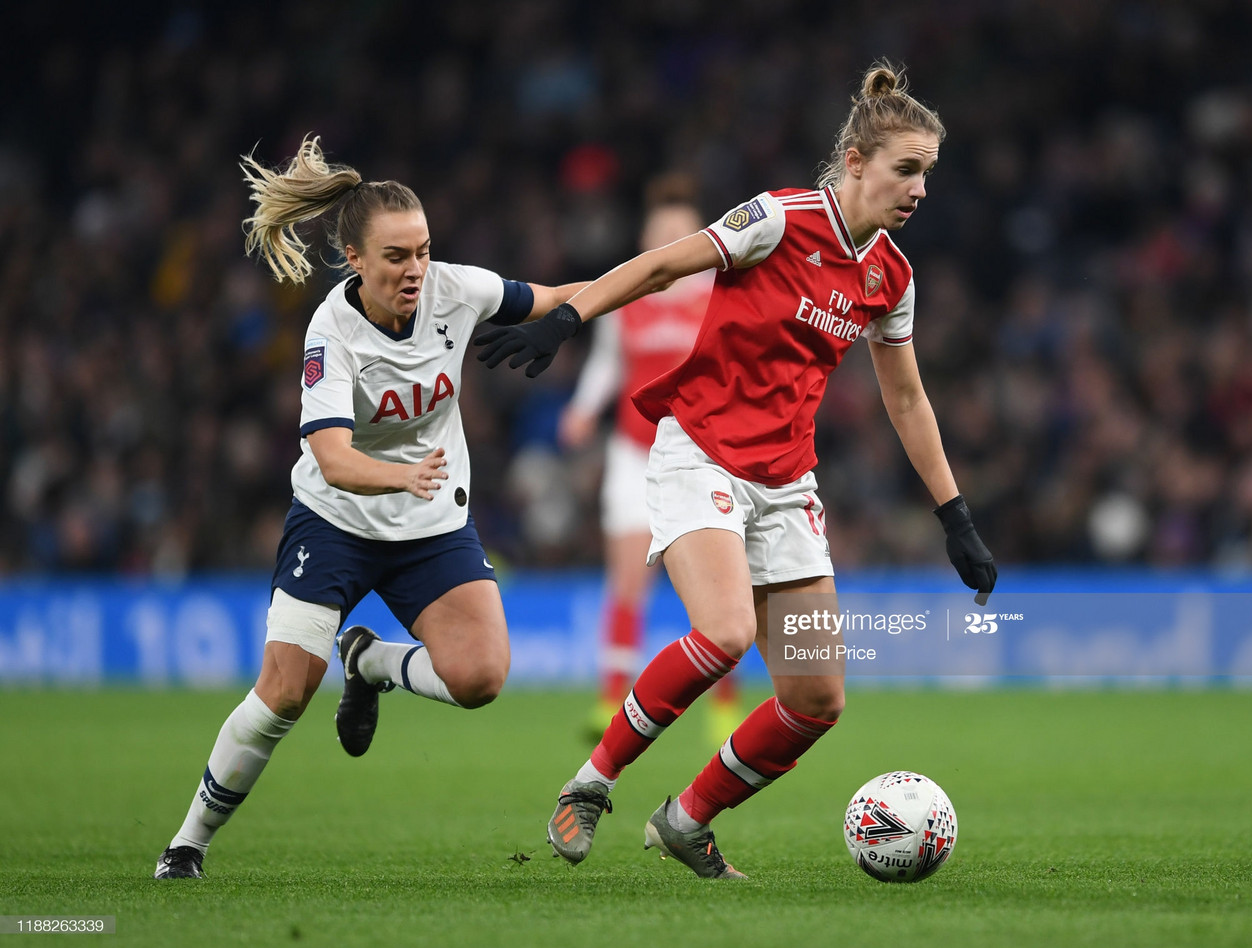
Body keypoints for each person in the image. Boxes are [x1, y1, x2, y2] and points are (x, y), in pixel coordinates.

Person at [475, 61, 996, 879]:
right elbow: (660, 266)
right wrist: (570, 317)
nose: (920, 188)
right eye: (907, 168)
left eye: (928, 172)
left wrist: (954, 514)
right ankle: (589, 783)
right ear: (856, 161)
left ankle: (686, 820)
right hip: (699, 450)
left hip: (787, 483)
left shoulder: (890, 276)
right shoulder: (778, 219)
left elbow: (907, 399)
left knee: (818, 698)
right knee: (724, 633)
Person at [154, 135, 586, 879]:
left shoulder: (458, 289)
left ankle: (371, 660)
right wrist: (401, 477)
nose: (415, 267)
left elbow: (557, 295)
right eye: (396, 256)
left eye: (421, 250)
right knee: (285, 690)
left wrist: (576, 312)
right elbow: (331, 458)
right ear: (354, 258)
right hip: (336, 521)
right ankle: (187, 841)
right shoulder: (331, 332)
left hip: (429, 523)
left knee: (481, 676)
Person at [557, 174, 741, 745]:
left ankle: (723, 707)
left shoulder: (720, 295)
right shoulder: (628, 295)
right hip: (633, 451)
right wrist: (583, 409)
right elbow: (608, 364)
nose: (667, 243)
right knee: (627, 579)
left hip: (703, 452)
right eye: (659, 233)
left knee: (717, 588)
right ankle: (611, 700)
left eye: (678, 234)